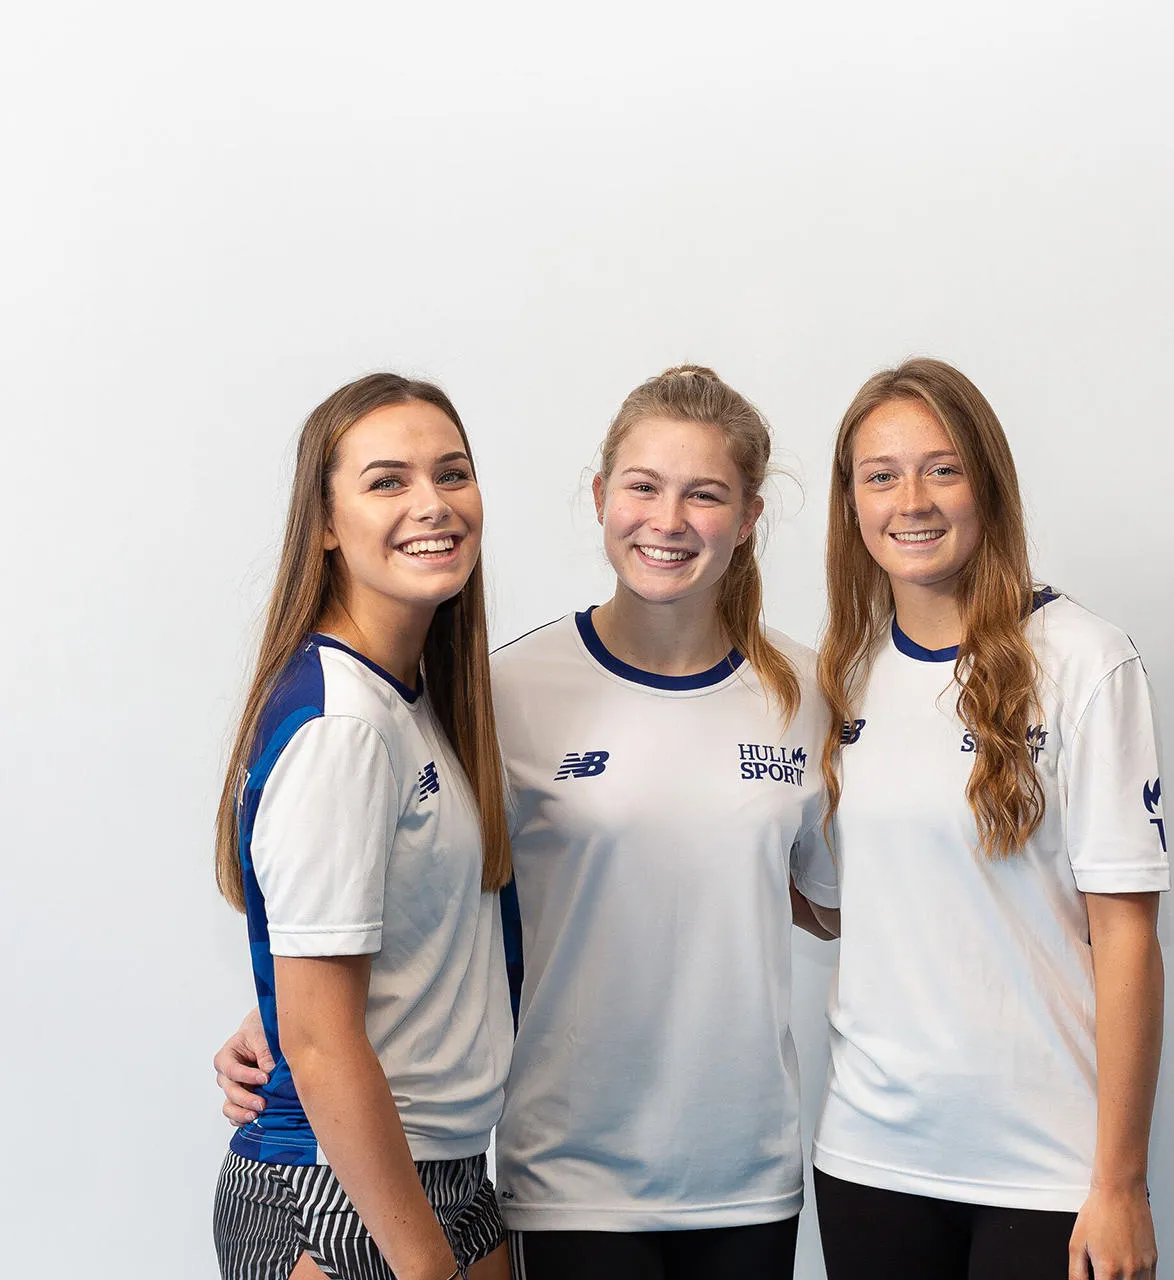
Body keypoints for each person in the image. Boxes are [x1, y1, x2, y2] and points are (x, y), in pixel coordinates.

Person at [216, 366, 838, 1280]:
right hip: (540, 1169)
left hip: (714, 1168)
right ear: (600, 496)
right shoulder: (489, 696)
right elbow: (354, 917)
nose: (668, 520)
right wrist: (296, 1019)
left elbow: (433, 886)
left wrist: (297, 1006)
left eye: (704, 494)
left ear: (748, 516)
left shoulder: (807, 689)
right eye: (642, 486)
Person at [804, 357, 1168, 1280]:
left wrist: (1120, 1183)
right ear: (851, 503)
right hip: (869, 1156)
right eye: (880, 476)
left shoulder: (1084, 661)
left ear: (989, 485)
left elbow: (1126, 937)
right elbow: (841, 904)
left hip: (1047, 1168)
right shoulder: (839, 675)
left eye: (943, 468)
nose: (911, 501)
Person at [211, 374, 515, 1280]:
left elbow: (368, 953)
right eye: (388, 481)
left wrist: (279, 1007)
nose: (433, 503)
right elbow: (319, 1041)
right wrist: (421, 1264)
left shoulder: (412, 701)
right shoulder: (343, 725)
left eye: (452, 473)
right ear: (326, 524)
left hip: (447, 1164)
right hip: (340, 1185)